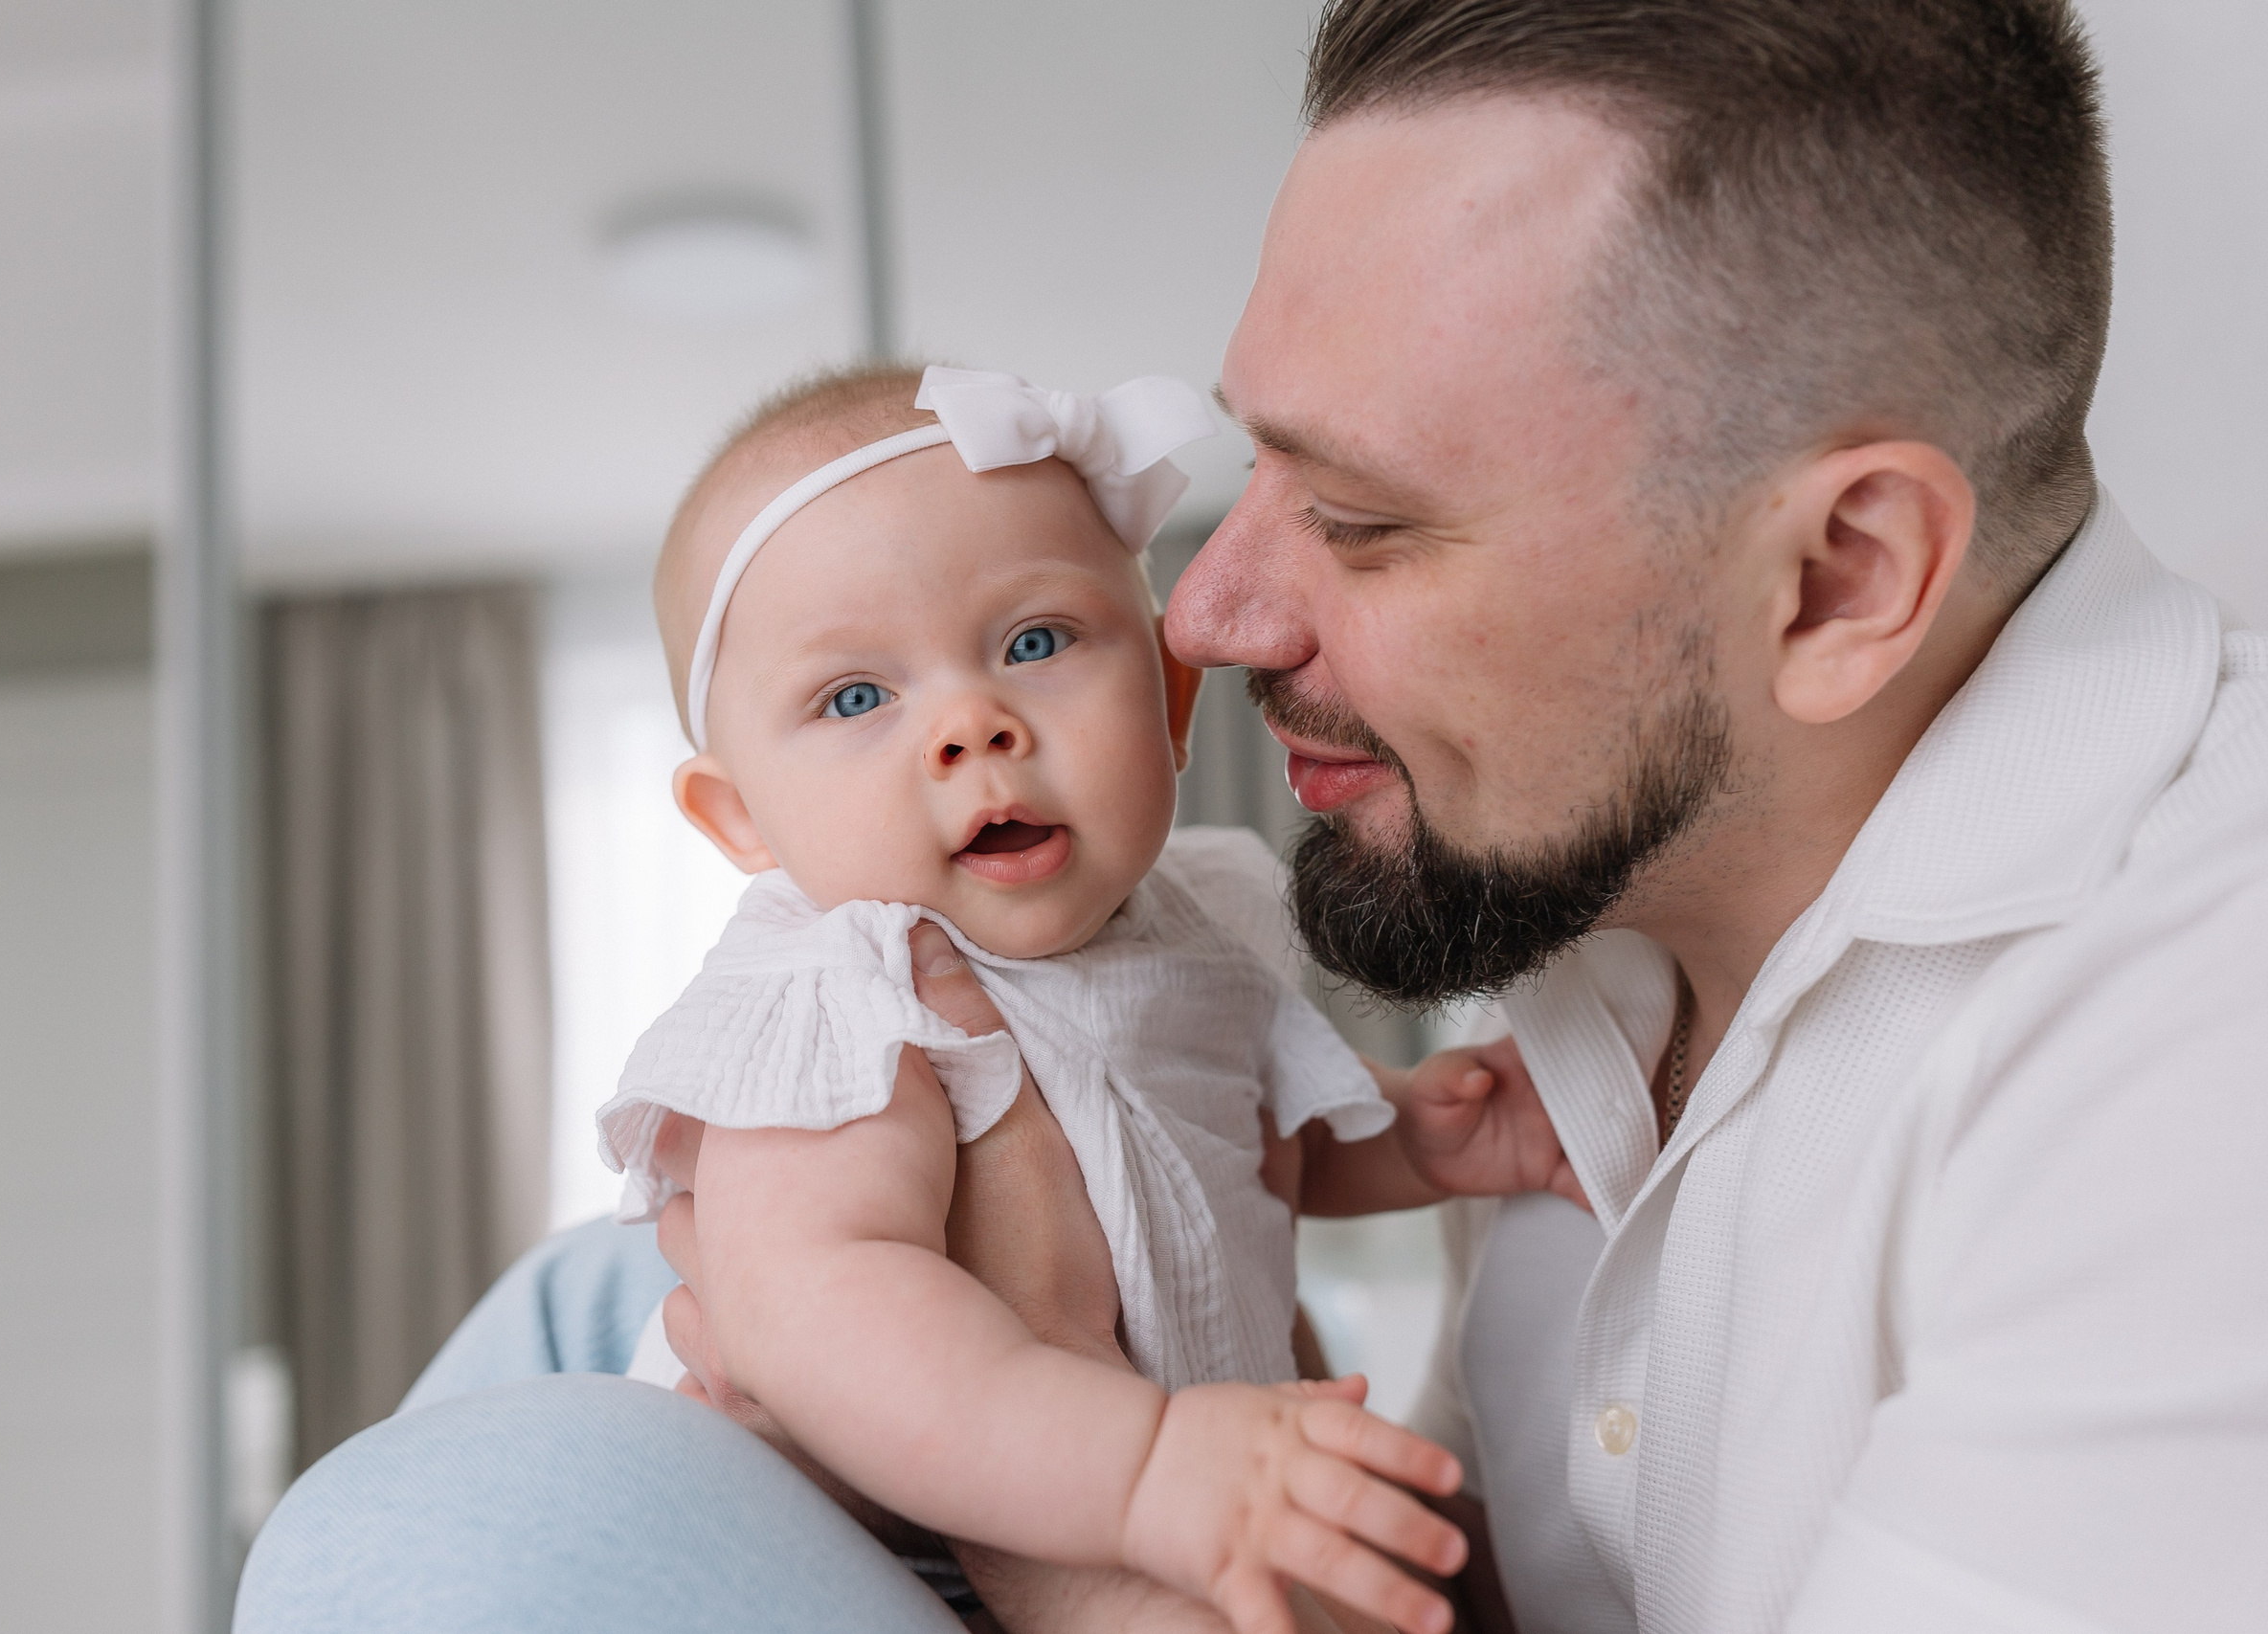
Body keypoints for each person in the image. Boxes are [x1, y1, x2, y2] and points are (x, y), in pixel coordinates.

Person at [238, 1, 2268, 1630]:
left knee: (463, 1519)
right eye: (1252, 475)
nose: (1197, 612)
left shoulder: (2194, 1055)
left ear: (1832, 580)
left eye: (1361, 520)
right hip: (855, 1359)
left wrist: (1081, 1510)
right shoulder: (1604, 894)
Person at [594, 360, 1583, 1632]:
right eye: (856, 697)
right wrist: (1141, 1469)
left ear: (1172, 703)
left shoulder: (1195, 915)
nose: (972, 724)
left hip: (1169, 1531)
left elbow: (1241, 1150)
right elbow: (818, 1310)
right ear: (740, 817)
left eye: (1036, 640)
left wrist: (1414, 1137)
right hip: (891, 1571)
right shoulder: (844, 994)